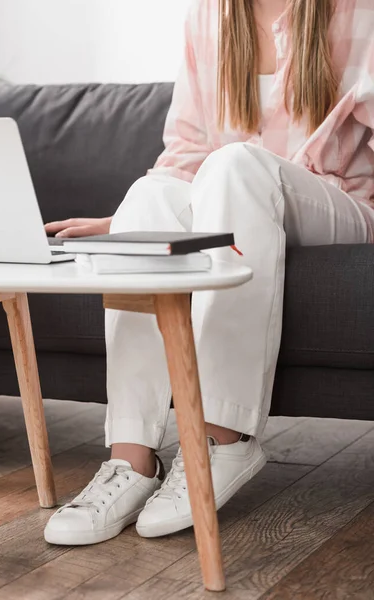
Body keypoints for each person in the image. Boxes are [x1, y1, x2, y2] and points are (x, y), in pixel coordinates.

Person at [43, 0, 374, 546]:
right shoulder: (210, 17)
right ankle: (131, 459)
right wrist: (123, 221)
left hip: (334, 204)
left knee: (237, 161)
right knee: (149, 195)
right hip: (232, 199)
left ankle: (222, 439)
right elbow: (184, 155)